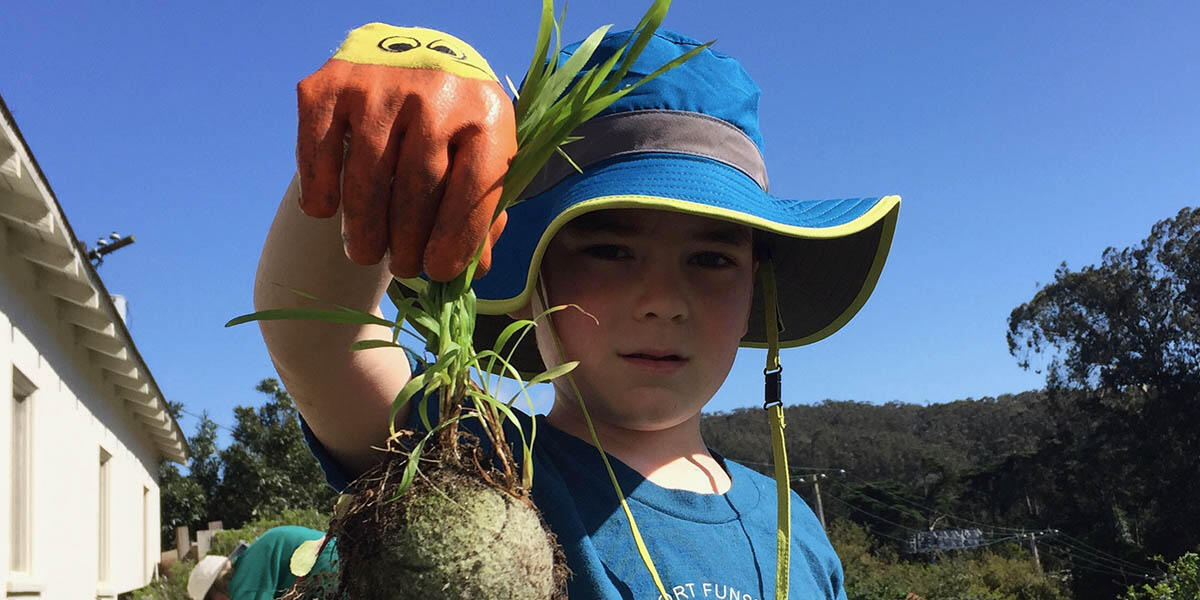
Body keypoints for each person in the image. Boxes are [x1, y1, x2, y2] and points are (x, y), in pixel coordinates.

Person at [255, 22, 899, 600]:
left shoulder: (797, 528)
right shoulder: (478, 462)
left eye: (711, 260)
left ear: (759, 285)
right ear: (535, 269)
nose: (663, 302)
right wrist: (392, 98)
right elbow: (317, 333)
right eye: (611, 249)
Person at [186, 526, 336, 600]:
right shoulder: (249, 564)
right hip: (338, 552)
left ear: (216, 594)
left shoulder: (242, 587)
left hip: (329, 569)